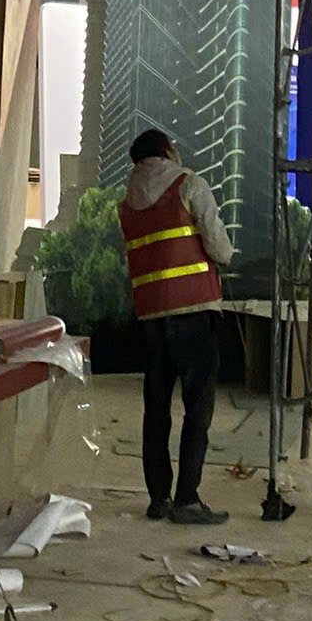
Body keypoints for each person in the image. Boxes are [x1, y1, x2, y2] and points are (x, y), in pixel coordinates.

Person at [118, 126, 234, 524]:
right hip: (194, 312)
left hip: (151, 318)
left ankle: (159, 499)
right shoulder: (189, 184)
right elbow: (219, 248)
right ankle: (187, 499)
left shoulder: (127, 204)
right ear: (168, 150)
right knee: (197, 409)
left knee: (156, 411)